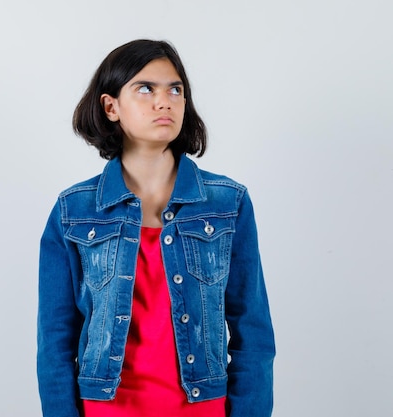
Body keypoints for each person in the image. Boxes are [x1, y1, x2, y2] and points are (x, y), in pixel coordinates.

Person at [37, 39, 275, 417]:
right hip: (107, 409)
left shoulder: (228, 204)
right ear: (110, 106)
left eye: (175, 89)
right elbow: (55, 341)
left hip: (202, 407)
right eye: (145, 88)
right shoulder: (74, 211)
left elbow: (254, 333)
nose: (164, 101)